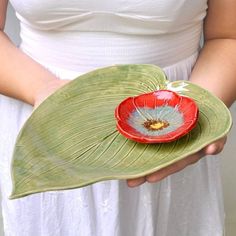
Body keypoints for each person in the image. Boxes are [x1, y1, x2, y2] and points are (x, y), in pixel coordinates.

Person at [0, 0, 235, 235]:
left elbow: (227, 36)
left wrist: (201, 111)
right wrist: (44, 89)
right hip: (47, 122)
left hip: (174, 123)